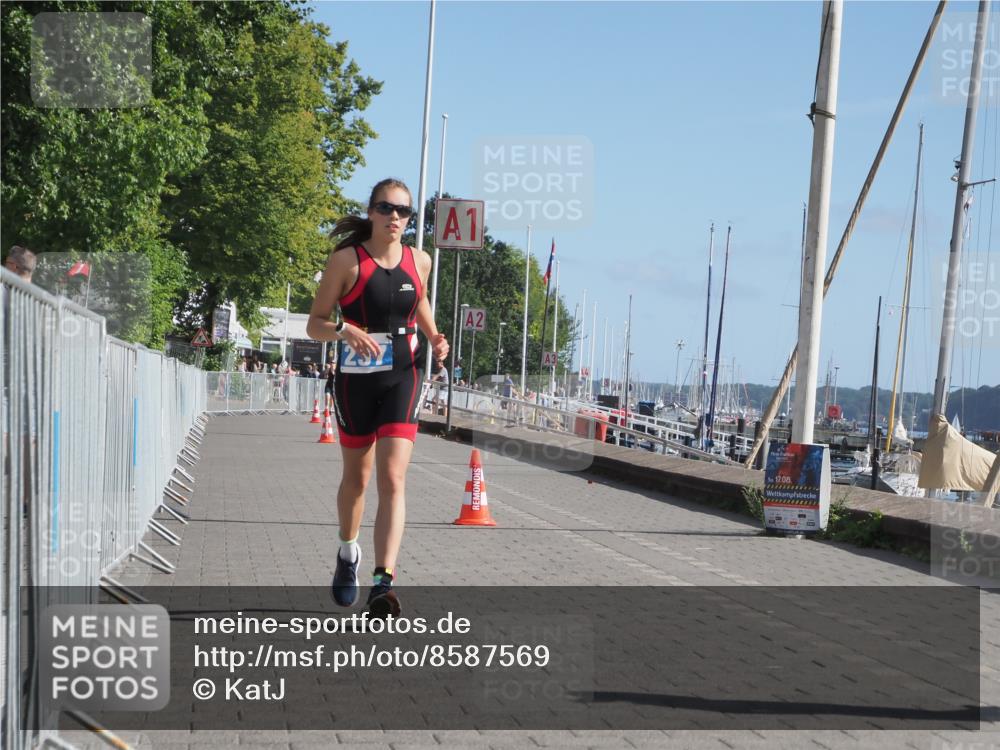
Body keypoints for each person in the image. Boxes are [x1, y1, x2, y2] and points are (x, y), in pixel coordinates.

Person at [307, 177, 448, 618]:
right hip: (356, 380)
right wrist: (343, 329)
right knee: (358, 480)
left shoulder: (420, 260)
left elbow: (418, 300)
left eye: (403, 211)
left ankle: (383, 583)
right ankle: (347, 552)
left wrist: (434, 336)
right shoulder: (346, 261)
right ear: (370, 211)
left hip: (404, 375)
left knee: (392, 477)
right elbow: (314, 323)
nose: (394, 217)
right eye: (386, 208)